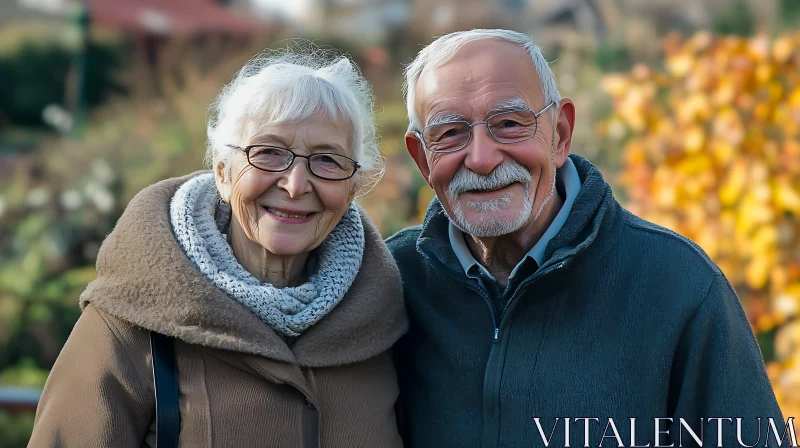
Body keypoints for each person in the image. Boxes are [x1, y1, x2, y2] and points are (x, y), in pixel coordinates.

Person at [388, 29, 786, 447]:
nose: (482, 159)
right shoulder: (392, 282)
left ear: (560, 134)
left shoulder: (678, 285)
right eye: (450, 133)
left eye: (509, 124)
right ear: (422, 158)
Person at [28, 48, 407, 447]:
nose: (296, 185)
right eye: (268, 153)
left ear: (353, 187)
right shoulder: (131, 324)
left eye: (328, 160)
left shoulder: (386, 325)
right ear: (224, 173)